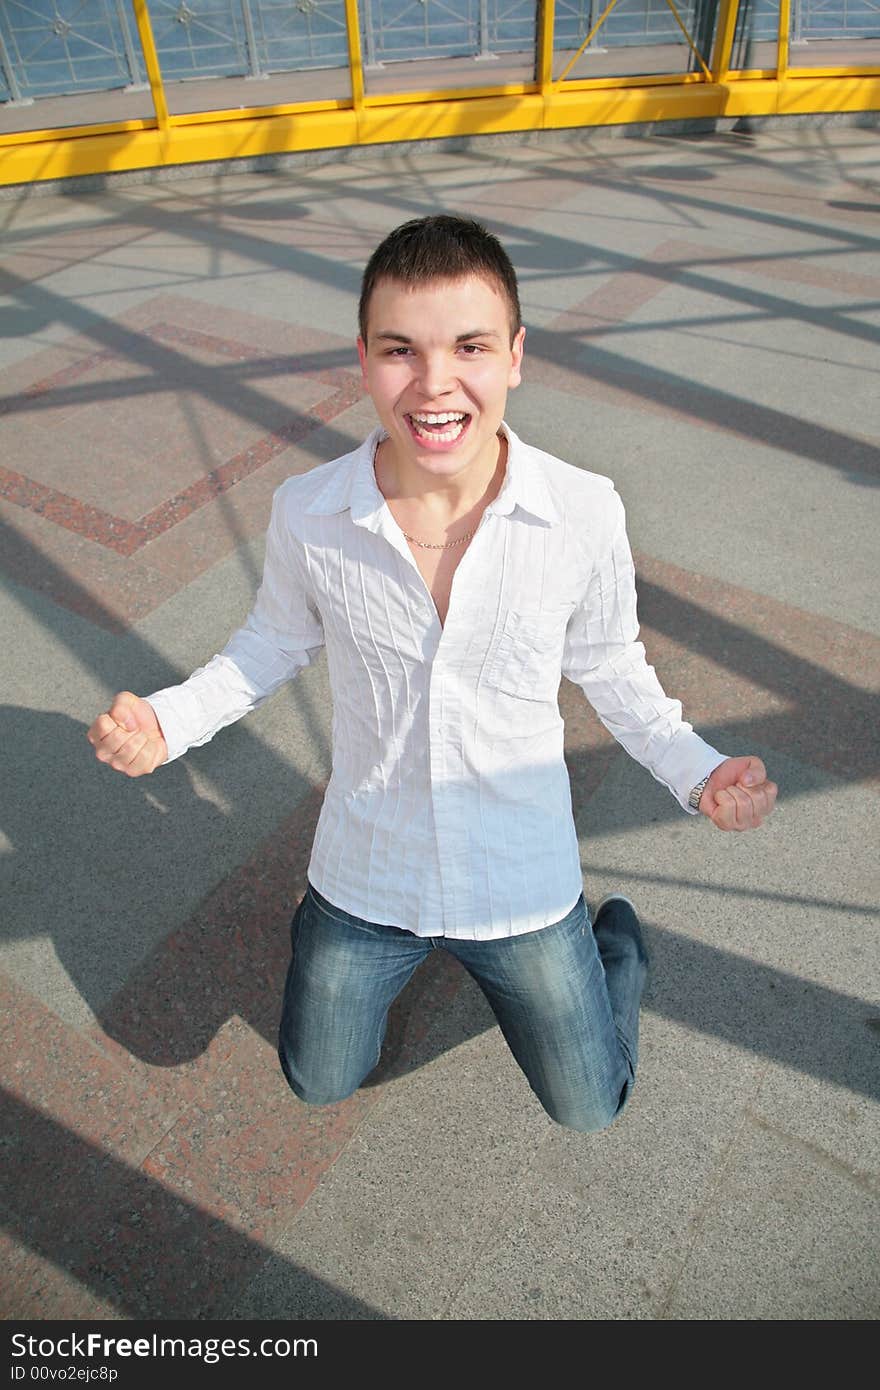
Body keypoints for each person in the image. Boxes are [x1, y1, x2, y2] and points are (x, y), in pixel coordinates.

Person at [87, 215, 777, 1132]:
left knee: (590, 1104)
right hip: (369, 872)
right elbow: (270, 647)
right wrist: (166, 723)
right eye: (400, 350)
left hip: (521, 880)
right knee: (320, 1079)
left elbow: (611, 666)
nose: (435, 382)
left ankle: (615, 949)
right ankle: (335, 948)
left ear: (517, 356)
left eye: (471, 347)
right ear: (363, 359)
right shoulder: (311, 510)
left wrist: (700, 772)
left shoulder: (582, 510)